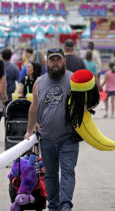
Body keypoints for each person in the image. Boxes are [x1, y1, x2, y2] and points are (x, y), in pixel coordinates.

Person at [24, 48, 78, 211]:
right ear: (47, 62)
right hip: (46, 138)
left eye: (58, 59)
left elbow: (89, 103)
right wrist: (28, 130)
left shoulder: (74, 79)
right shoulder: (39, 82)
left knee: (68, 171)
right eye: (52, 60)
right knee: (50, 175)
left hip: (69, 137)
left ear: (64, 61)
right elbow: (33, 107)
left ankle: (66, 205)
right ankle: (54, 206)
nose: (55, 63)